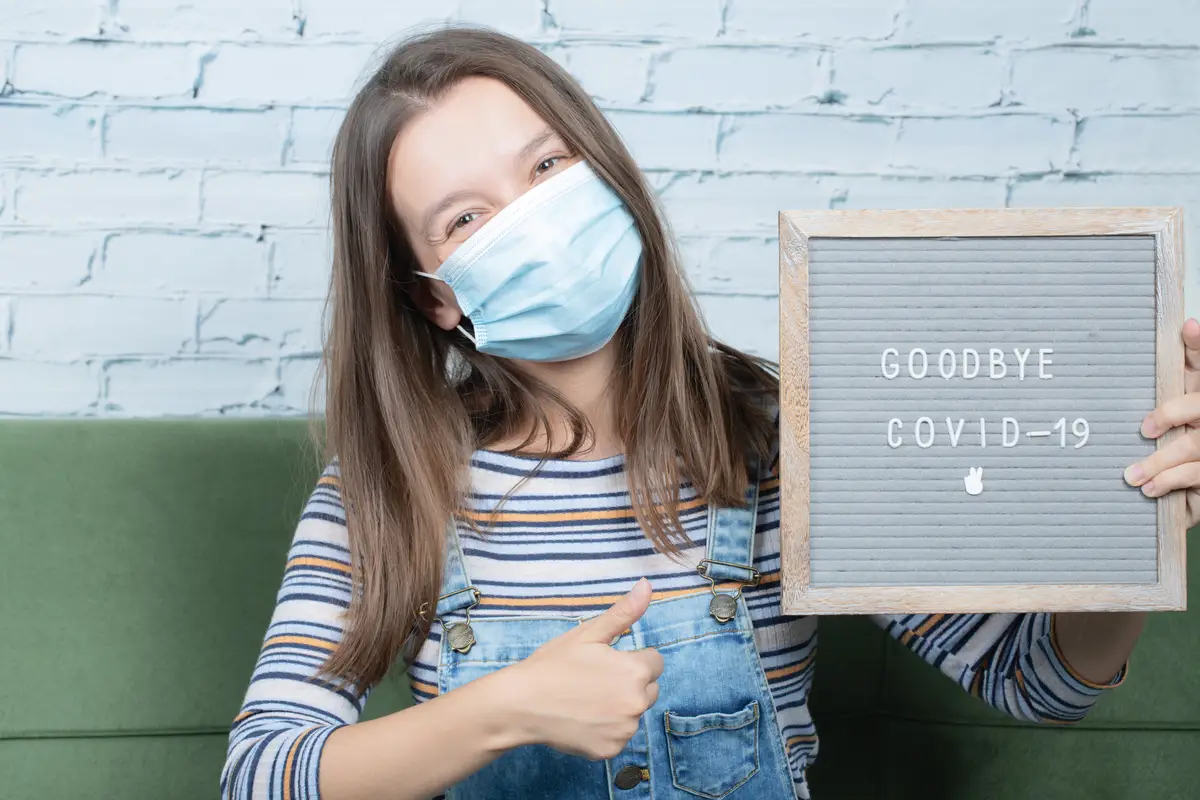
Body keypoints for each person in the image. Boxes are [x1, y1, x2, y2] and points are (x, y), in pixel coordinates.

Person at [221, 25, 1184, 800]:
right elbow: (262, 773)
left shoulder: (782, 445)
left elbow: (1035, 681)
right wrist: (500, 712)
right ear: (437, 298)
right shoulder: (389, 490)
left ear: (606, 172)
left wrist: (1134, 512)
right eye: (466, 219)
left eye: (548, 168)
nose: (529, 220)